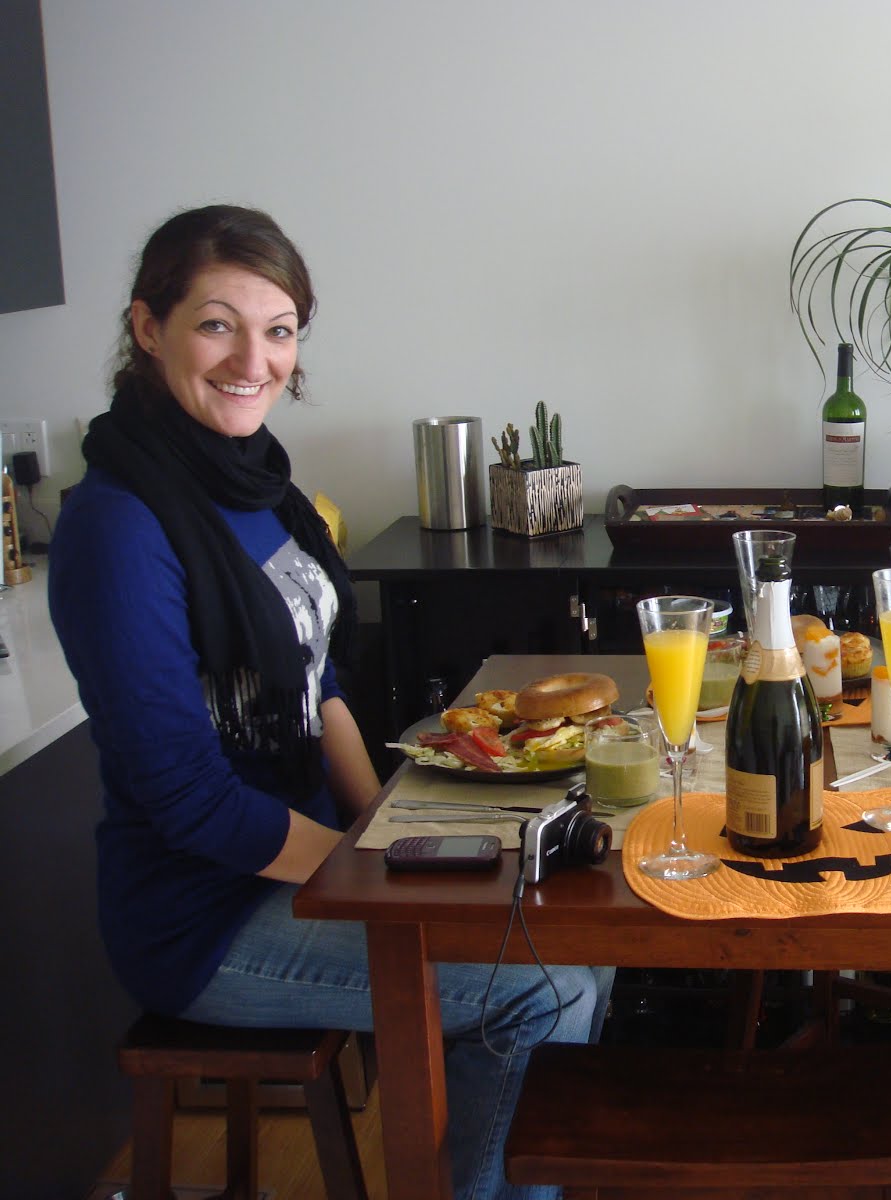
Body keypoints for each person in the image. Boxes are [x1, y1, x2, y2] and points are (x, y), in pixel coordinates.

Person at [50, 205, 612, 1200]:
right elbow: (185, 797)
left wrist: (390, 825)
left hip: (310, 859)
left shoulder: (254, 482)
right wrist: (373, 874)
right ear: (148, 327)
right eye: (216, 324)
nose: (252, 360)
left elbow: (323, 690)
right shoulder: (118, 526)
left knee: (581, 937)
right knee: (542, 987)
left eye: (278, 331)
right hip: (204, 919)